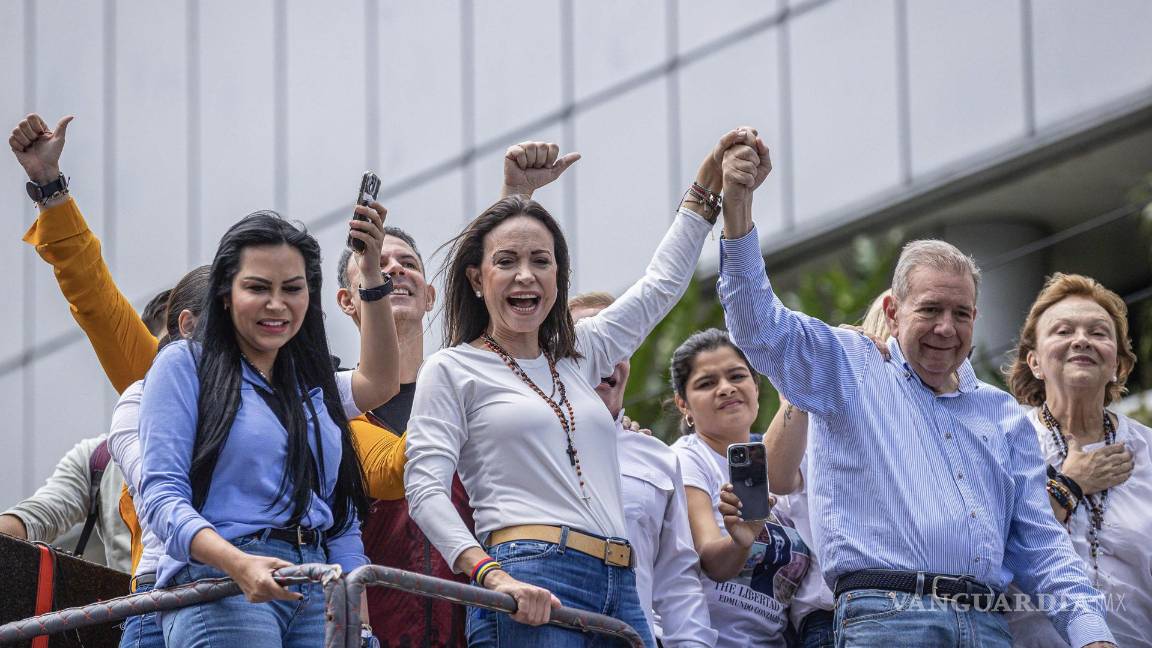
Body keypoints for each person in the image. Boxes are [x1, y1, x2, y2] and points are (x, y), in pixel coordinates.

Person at [713, 134, 1115, 647]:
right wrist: (738, 205)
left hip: (989, 627)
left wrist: (1092, 634)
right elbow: (757, 323)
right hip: (889, 621)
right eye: (930, 310)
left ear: (976, 319)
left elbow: (1040, 545)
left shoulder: (1003, 415)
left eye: (961, 314)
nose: (946, 328)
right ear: (892, 312)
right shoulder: (850, 366)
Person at [404, 129, 751, 647]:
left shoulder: (581, 353)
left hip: (621, 583)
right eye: (507, 262)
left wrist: (706, 188)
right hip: (529, 579)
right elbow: (425, 490)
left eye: (541, 261)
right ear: (477, 279)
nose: (526, 276)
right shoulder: (453, 369)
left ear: (559, 276)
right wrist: (489, 575)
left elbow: (660, 286)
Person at [136, 207, 399, 647]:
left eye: (292, 289)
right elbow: (162, 496)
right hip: (222, 581)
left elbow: (341, 520)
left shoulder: (308, 386)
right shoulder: (185, 365)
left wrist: (371, 272)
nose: (277, 304)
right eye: (257, 288)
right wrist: (238, 564)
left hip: (319, 585)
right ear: (225, 294)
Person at [335, 223, 476, 647]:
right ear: (347, 300)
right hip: (374, 633)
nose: (395, 270)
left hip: (471, 631)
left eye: (408, 263)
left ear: (430, 295)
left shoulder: (470, 398)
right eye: (378, 265)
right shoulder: (332, 409)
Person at [1002, 273, 1147, 648]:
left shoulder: (1147, 452)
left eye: (1099, 333)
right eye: (1063, 331)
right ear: (1034, 361)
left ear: (1118, 363)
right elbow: (986, 551)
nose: (1081, 340)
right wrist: (1067, 487)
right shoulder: (1001, 440)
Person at [569, 291, 716, 648]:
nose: (606, 355)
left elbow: (678, 580)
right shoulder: (521, 443)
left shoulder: (658, 458)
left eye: (619, 341)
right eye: (589, 342)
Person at [670, 328, 817, 648]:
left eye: (737, 376)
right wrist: (740, 539)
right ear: (684, 405)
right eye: (707, 383)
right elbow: (713, 560)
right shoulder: (688, 458)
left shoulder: (782, 459)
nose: (726, 389)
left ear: (756, 386)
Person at [762, 290, 891, 648]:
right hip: (833, 617)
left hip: (921, 609)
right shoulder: (829, 405)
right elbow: (775, 475)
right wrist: (819, 367)